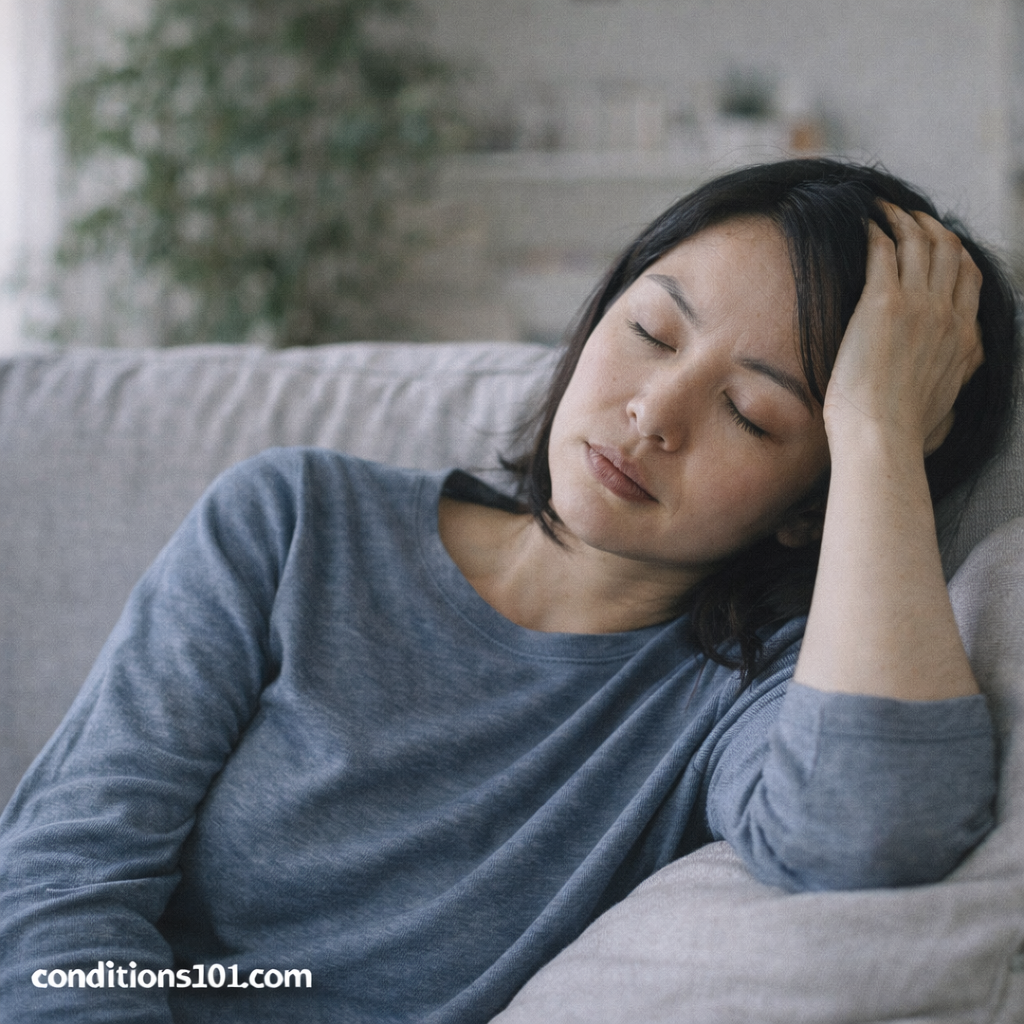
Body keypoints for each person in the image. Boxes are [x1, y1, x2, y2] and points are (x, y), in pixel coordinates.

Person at [0, 158, 1018, 1024]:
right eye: (653, 332)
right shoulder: (296, 521)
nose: (650, 411)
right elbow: (59, 883)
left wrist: (878, 429)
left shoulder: (746, 691)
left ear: (811, 505)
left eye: (751, 413)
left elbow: (872, 834)